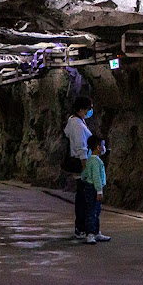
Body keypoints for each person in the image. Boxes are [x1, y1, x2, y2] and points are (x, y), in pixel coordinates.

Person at [63, 96, 93, 239]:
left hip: (77, 163)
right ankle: (82, 228)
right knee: (84, 197)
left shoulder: (73, 121)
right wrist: (86, 169)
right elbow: (81, 148)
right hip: (81, 164)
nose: (90, 112)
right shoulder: (78, 125)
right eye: (88, 109)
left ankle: (82, 227)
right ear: (81, 110)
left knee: (82, 196)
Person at [82, 134, 111, 245]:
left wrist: (85, 179)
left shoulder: (91, 159)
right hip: (93, 189)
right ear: (98, 147)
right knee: (92, 211)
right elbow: (96, 178)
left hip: (90, 187)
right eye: (103, 145)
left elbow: (84, 174)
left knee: (95, 211)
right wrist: (99, 191)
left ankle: (96, 232)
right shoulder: (95, 161)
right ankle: (90, 234)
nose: (104, 148)